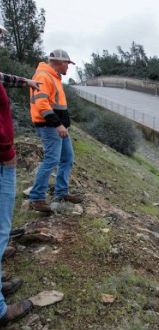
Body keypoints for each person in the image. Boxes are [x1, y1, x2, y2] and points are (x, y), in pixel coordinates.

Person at [0, 24, 40, 325]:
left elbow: (2, 78)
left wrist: (24, 80)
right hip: (1, 160)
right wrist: (7, 151)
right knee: (0, 230)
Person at [28, 49, 82, 212]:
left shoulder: (54, 77)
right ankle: (36, 198)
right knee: (52, 160)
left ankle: (61, 192)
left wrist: (62, 125)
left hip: (59, 127)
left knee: (67, 158)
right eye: (67, 63)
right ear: (59, 62)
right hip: (50, 127)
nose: (68, 67)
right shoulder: (44, 76)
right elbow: (41, 104)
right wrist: (57, 124)